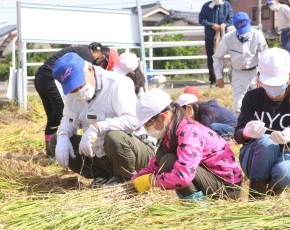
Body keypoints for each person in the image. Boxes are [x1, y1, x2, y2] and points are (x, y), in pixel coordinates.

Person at [49, 52, 155, 186]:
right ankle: (104, 176)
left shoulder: (117, 84)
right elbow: (68, 119)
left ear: (89, 69)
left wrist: (98, 127)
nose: (78, 91)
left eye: (80, 85)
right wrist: (63, 136)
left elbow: (134, 121)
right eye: (72, 89)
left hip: (135, 152)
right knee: (55, 141)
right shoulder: (73, 95)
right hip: (102, 152)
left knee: (114, 137)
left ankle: (126, 179)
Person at [234, 47, 290, 200]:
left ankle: (273, 190)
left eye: (277, 83)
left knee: (288, 173)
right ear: (259, 78)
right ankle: (256, 193)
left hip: (284, 152)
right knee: (267, 142)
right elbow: (237, 135)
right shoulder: (252, 97)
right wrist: (245, 133)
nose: (272, 88)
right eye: (268, 83)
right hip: (254, 155)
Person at [132, 88, 242, 200]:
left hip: (227, 188)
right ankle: (192, 202)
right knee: (163, 155)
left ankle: (197, 208)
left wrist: (151, 181)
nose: (147, 129)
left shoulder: (189, 132)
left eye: (147, 125)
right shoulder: (171, 132)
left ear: (163, 116)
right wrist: (134, 181)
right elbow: (155, 165)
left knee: (169, 162)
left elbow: (183, 177)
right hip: (210, 179)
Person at [34, 42, 108, 158]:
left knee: (53, 118)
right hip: (51, 79)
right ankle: (68, 152)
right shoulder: (86, 55)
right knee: (66, 115)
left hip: (40, 78)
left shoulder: (80, 50)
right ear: (97, 52)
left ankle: (50, 154)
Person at [213, 12, 268, 114]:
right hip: (238, 73)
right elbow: (217, 57)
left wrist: (262, 74)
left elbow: (265, 55)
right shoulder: (228, 38)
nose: (244, 33)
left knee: (260, 103)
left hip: (255, 72)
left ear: (249, 23)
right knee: (238, 105)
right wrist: (219, 77)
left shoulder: (258, 35)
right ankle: (239, 127)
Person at [199, 0, 233, 88]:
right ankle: (213, 80)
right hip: (210, 37)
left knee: (222, 58)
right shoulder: (206, 6)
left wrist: (224, 25)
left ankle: (222, 78)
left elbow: (231, 19)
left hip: (223, 37)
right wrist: (211, 25)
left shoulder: (227, 5)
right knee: (211, 59)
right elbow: (201, 19)